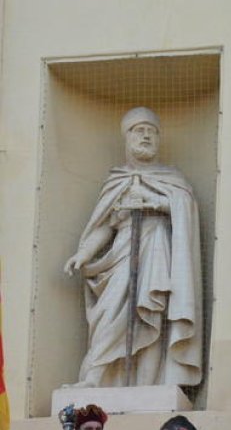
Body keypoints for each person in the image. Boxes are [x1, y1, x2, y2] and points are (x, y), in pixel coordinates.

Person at [63, 106, 203, 388]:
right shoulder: (117, 180)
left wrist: (151, 202)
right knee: (110, 313)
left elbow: (185, 209)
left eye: (152, 132)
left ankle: (149, 385)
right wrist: (84, 253)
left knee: (152, 315)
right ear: (126, 138)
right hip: (123, 252)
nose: (147, 137)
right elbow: (104, 224)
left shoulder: (172, 178)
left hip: (157, 248)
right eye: (140, 131)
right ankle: (95, 377)